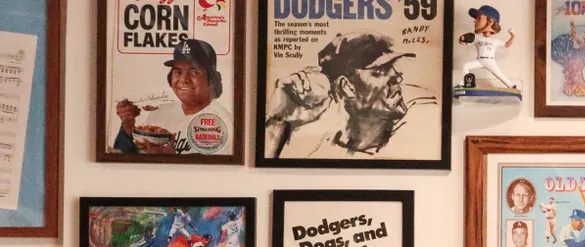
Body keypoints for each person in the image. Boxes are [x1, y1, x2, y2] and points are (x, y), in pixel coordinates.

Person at [263, 32, 436, 160]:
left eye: (393, 68)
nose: (396, 77)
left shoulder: (425, 120)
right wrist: (277, 122)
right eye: (380, 71)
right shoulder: (318, 153)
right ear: (347, 87)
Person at [113, 39, 233, 156]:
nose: (183, 79)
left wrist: (172, 160)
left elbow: (216, 173)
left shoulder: (223, 123)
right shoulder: (158, 114)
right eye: (178, 72)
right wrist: (127, 127)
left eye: (194, 72)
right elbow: (125, 163)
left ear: (212, 80)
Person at [460, 5, 518, 90]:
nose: (475, 21)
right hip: (479, 60)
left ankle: (511, 86)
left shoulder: (495, 41)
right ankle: (463, 84)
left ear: (490, 22)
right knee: (466, 66)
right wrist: (462, 39)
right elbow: (465, 43)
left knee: (498, 73)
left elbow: (506, 45)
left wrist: (512, 36)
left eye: (479, 18)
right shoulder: (477, 37)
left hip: (490, 60)